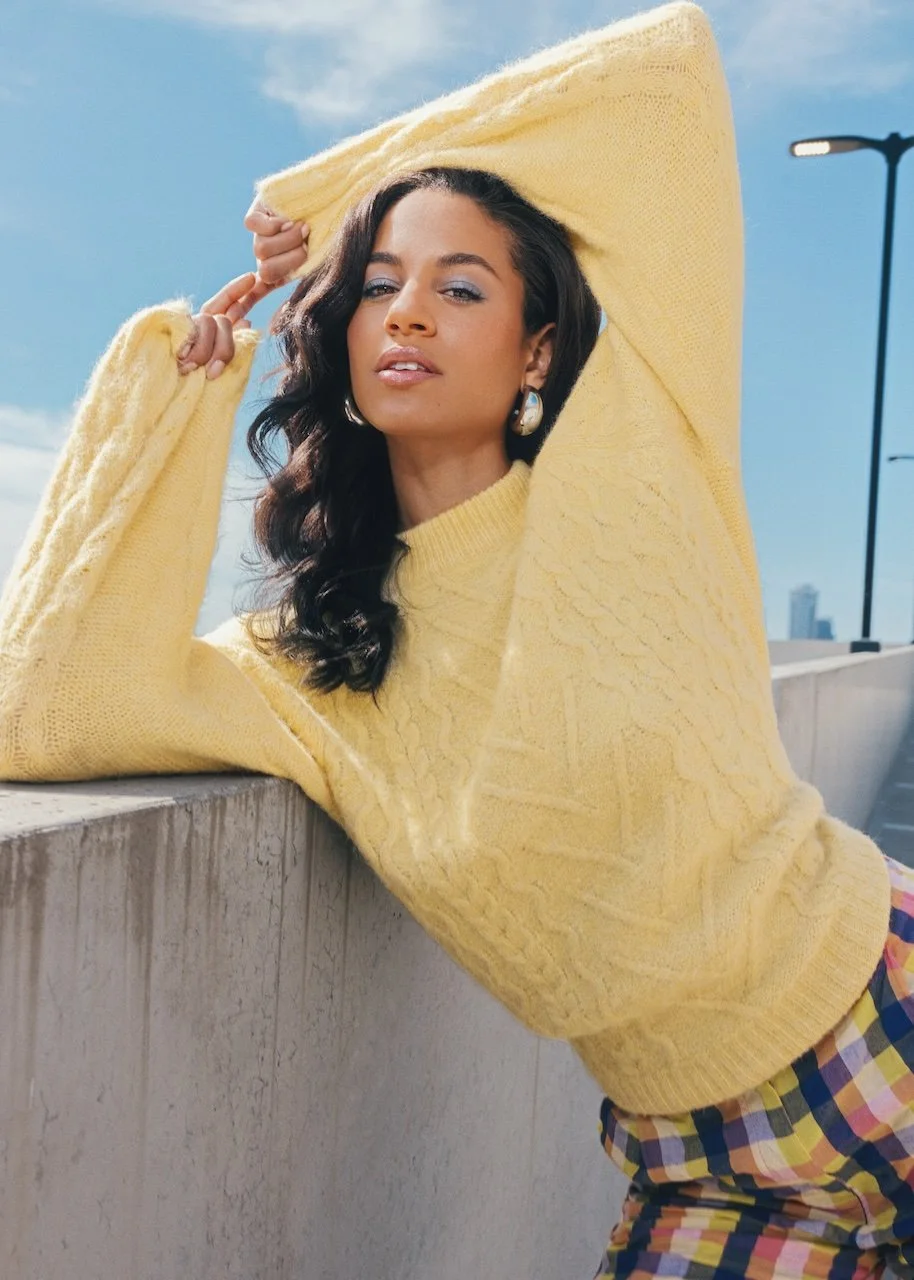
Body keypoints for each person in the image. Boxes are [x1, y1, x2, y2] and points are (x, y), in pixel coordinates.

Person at [1, 3, 912, 1275]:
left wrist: (332, 203)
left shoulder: (636, 452)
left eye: (457, 285)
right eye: (373, 286)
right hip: (707, 1150)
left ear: (537, 345)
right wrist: (171, 395)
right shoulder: (309, 656)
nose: (405, 313)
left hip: (887, 993)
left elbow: (665, 77)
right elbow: (43, 706)